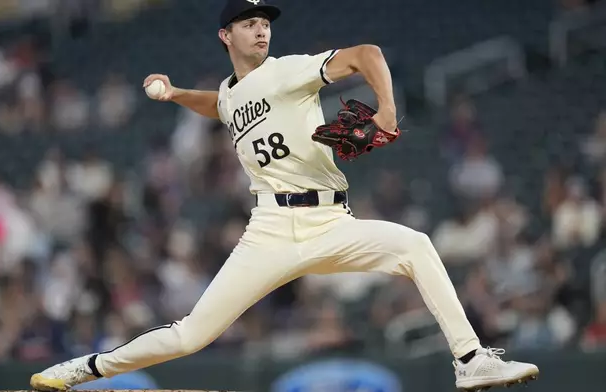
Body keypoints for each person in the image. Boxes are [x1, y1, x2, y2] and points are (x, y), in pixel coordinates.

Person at [30, 1, 539, 391]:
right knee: (189, 336)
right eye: (249, 22)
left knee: (415, 246)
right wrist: (178, 93)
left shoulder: (288, 69)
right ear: (225, 35)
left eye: (265, 21)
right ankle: (83, 368)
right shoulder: (233, 92)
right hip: (269, 231)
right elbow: (224, 105)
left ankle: (470, 361)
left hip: (331, 224)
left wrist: (385, 110)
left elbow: (368, 55)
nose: (261, 28)